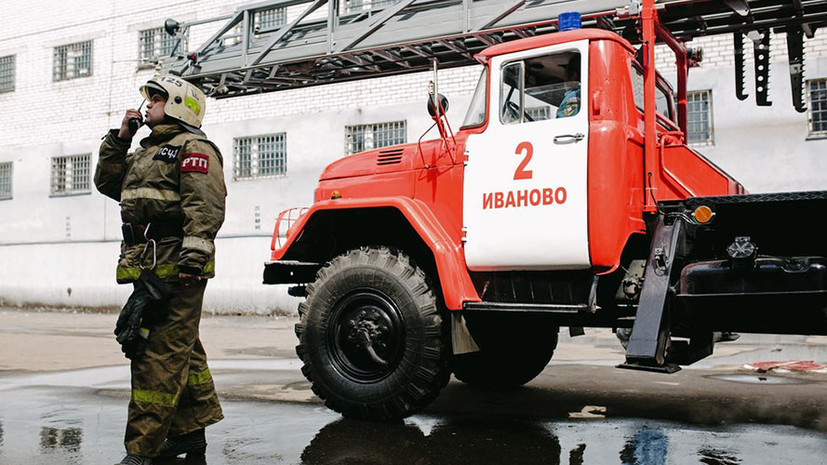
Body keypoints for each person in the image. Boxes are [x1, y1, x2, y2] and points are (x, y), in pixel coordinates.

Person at [95, 74, 227, 465]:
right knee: (182, 353)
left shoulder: (194, 147)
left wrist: (192, 260)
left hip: (178, 266)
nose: (148, 103)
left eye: (156, 97)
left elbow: (205, 207)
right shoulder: (145, 152)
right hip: (150, 265)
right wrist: (120, 139)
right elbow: (108, 182)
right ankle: (191, 436)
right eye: (149, 98)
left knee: (155, 357)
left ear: (178, 105)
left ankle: (141, 451)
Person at [556, 54, 581, 118]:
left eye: (565, 77)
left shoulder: (573, 97)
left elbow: (563, 122)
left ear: (574, 76)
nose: (564, 82)